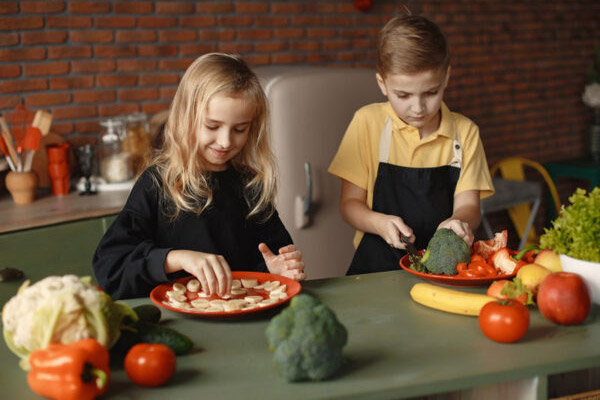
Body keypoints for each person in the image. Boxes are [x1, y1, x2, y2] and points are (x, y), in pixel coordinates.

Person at [93, 53, 305, 299]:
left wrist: (277, 271)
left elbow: (272, 267)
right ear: (186, 117)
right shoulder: (156, 184)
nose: (226, 141)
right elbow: (111, 267)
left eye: (239, 129)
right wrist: (175, 258)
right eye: (212, 126)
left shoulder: (251, 187)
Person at [328, 15, 494, 275]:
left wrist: (458, 222)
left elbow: (470, 207)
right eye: (403, 95)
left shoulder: (465, 133)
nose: (418, 108)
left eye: (430, 92)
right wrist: (379, 223)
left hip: (445, 271)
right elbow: (349, 205)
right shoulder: (367, 123)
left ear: (447, 78)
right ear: (382, 83)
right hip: (376, 269)